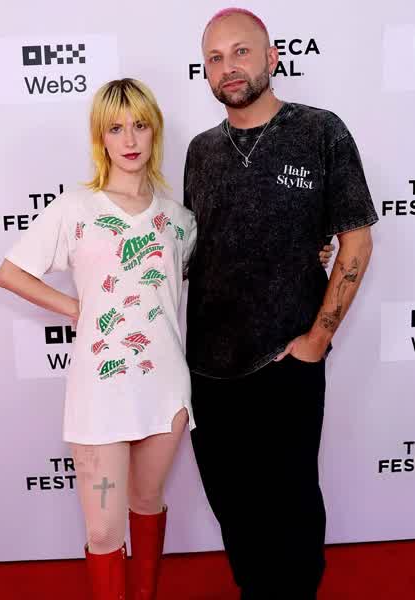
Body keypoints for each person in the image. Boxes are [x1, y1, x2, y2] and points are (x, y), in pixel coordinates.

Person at [183, 8, 378, 600]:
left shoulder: (320, 131)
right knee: (233, 508)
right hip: (208, 369)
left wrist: (317, 340)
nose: (228, 67)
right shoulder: (200, 151)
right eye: (215, 58)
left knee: (292, 512)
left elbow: (356, 241)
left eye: (241, 52)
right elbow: (196, 250)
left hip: (287, 360)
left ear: (271, 57)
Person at [0, 78, 198, 600]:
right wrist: (77, 308)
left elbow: (207, 280)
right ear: (100, 137)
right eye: (115, 128)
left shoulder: (180, 221)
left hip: (165, 389)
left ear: (154, 132)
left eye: (140, 125)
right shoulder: (75, 208)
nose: (129, 139)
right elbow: (10, 272)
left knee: (147, 505)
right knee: (105, 531)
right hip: (100, 393)